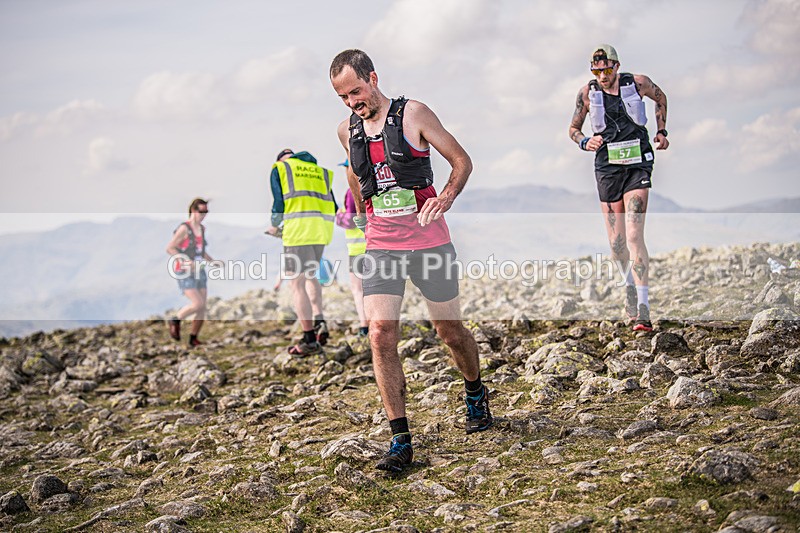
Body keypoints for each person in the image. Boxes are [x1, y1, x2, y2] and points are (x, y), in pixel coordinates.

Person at [330, 49, 493, 473]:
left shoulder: (413, 114)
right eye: (343, 97)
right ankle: (400, 439)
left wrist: (446, 196)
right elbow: (354, 175)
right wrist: (367, 217)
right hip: (382, 245)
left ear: (373, 77)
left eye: (356, 91)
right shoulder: (347, 131)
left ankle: (474, 390)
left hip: (429, 242)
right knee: (381, 333)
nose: (352, 102)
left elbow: (461, 161)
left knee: (449, 330)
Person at [569, 44, 669, 332]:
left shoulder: (637, 83)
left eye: (607, 69)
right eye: (596, 70)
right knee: (617, 243)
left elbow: (661, 98)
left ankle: (643, 309)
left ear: (616, 65)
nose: (602, 75)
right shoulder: (587, 93)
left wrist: (662, 130)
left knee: (635, 235)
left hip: (638, 164)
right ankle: (628, 287)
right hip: (607, 168)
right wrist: (585, 141)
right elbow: (573, 129)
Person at [266, 148, 337, 355]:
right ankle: (319, 320)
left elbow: (279, 204)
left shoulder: (280, 169)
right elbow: (333, 207)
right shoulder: (320, 172)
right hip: (320, 232)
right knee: (311, 277)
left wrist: (275, 224)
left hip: (298, 232)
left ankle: (308, 339)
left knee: (296, 284)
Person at [166, 197, 217, 347]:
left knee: (203, 306)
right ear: (193, 210)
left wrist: (212, 261)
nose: (204, 214)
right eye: (202, 211)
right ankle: (176, 319)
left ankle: (193, 338)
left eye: (206, 211)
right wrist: (182, 260)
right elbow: (170, 248)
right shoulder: (184, 229)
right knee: (197, 303)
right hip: (184, 271)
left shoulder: (202, 229)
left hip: (199, 269)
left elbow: (201, 251)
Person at [335, 165, 369, 337]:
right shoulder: (374, 185)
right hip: (376, 245)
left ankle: (365, 327)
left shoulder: (352, 191)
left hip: (357, 248)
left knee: (358, 290)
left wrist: (338, 215)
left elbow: (350, 221)